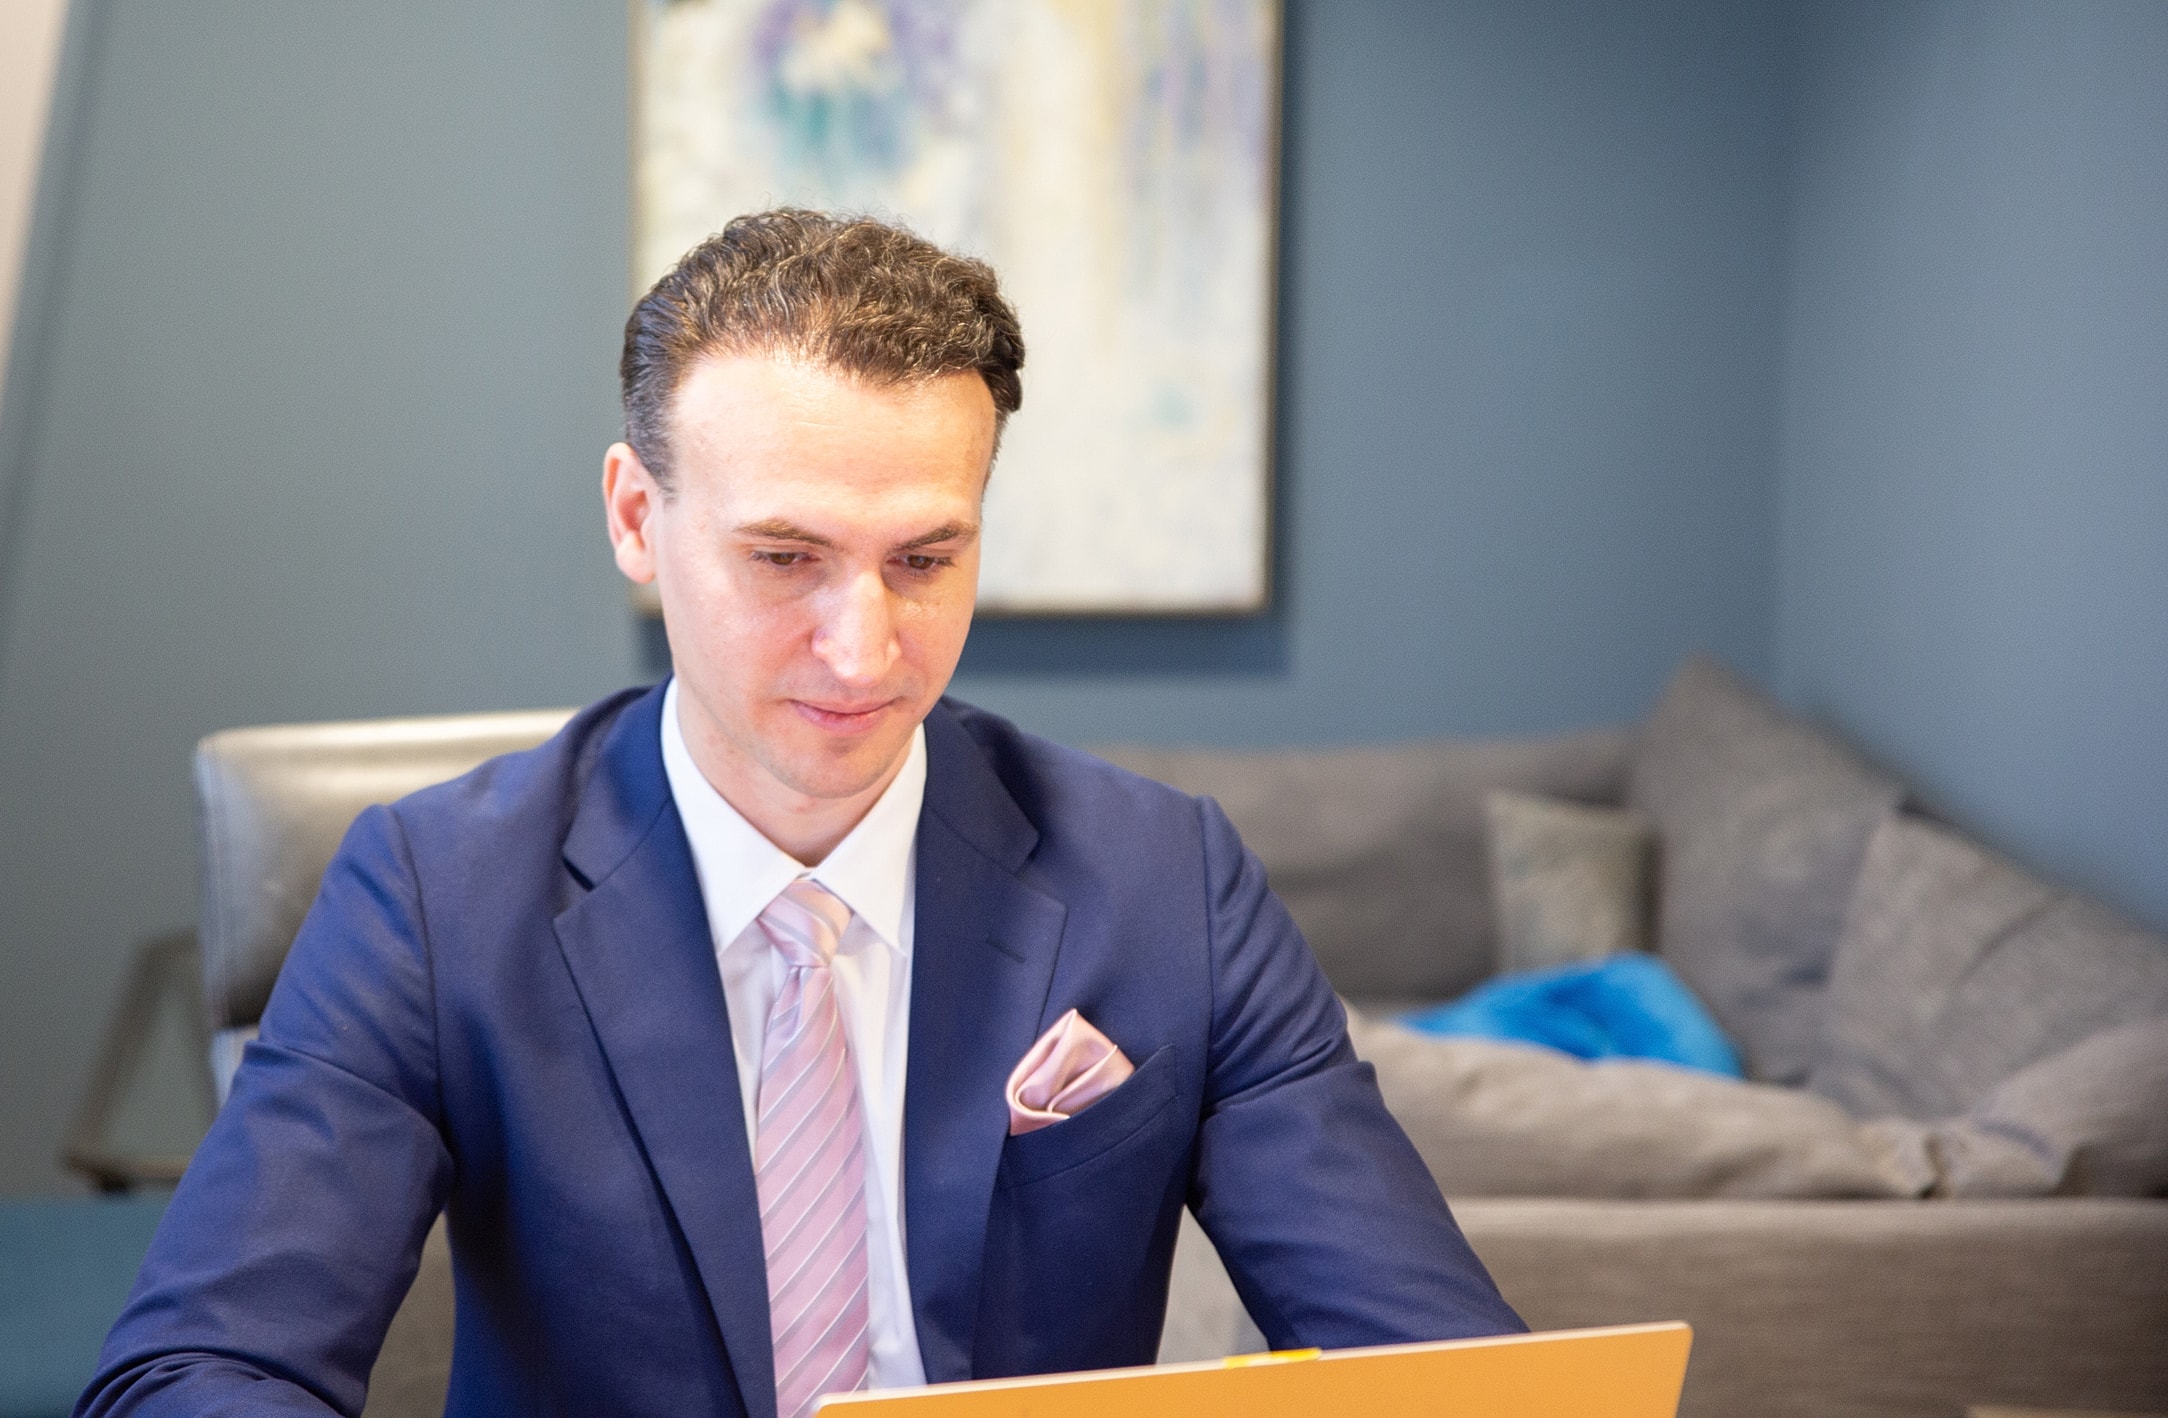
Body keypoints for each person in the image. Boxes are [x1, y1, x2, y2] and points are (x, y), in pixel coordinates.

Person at [78, 210, 1520, 1418]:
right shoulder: (437, 895)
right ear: (638, 519)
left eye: (924, 557)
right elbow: (200, 1364)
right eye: (785, 556)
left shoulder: (1168, 882)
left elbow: (1442, 1366)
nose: (864, 647)